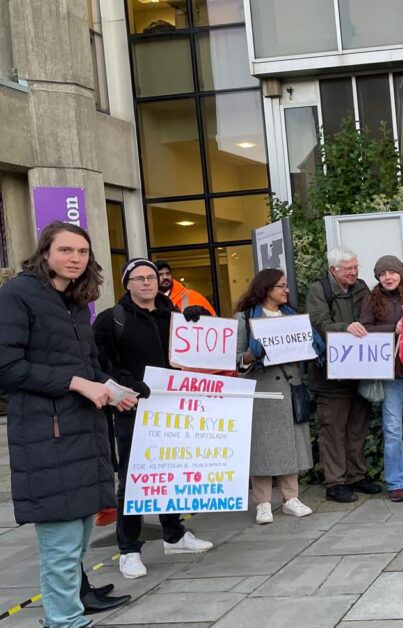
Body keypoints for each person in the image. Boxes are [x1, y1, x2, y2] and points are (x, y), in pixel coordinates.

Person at [0, 222, 137, 628]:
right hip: (47, 437)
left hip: (84, 434)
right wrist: (76, 383)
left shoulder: (76, 302)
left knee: (76, 542)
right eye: (66, 250)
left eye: (82, 252)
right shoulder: (17, 295)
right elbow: (7, 368)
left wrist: (114, 392)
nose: (75, 258)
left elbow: (89, 367)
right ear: (45, 253)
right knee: (60, 548)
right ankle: (65, 623)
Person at [94, 258, 213, 579]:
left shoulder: (173, 315)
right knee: (135, 477)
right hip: (132, 409)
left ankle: (173, 533)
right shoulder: (111, 320)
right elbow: (101, 363)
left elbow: (196, 354)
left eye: (151, 277)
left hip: (171, 409)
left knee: (171, 470)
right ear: (127, 283)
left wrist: (197, 325)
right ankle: (129, 549)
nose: (147, 282)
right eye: (139, 278)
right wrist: (128, 385)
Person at [234, 268, 317, 523]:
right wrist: (251, 354)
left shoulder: (291, 316)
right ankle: (263, 503)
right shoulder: (245, 317)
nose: (286, 290)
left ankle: (291, 498)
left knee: (290, 442)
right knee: (263, 447)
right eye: (281, 285)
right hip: (262, 389)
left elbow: (307, 346)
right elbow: (235, 360)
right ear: (266, 288)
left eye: (286, 285)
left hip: (290, 386)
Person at [305, 247, 380, 504]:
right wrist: (345, 328)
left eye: (356, 267)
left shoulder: (361, 287)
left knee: (358, 428)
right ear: (332, 270)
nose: (354, 272)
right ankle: (335, 482)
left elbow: (372, 318)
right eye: (348, 268)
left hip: (359, 372)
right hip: (330, 376)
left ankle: (357, 476)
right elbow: (318, 323)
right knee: (333, 430)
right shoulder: (319, 291)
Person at [358, 255, 403, 503]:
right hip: (388, 370)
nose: (388, 277)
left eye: (392, 272)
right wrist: (394, 328)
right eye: (383, 274)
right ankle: (396, 481)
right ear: (378, 277)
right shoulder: (371, 299)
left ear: (400, 274)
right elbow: (365, 329)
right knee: (391, 429)